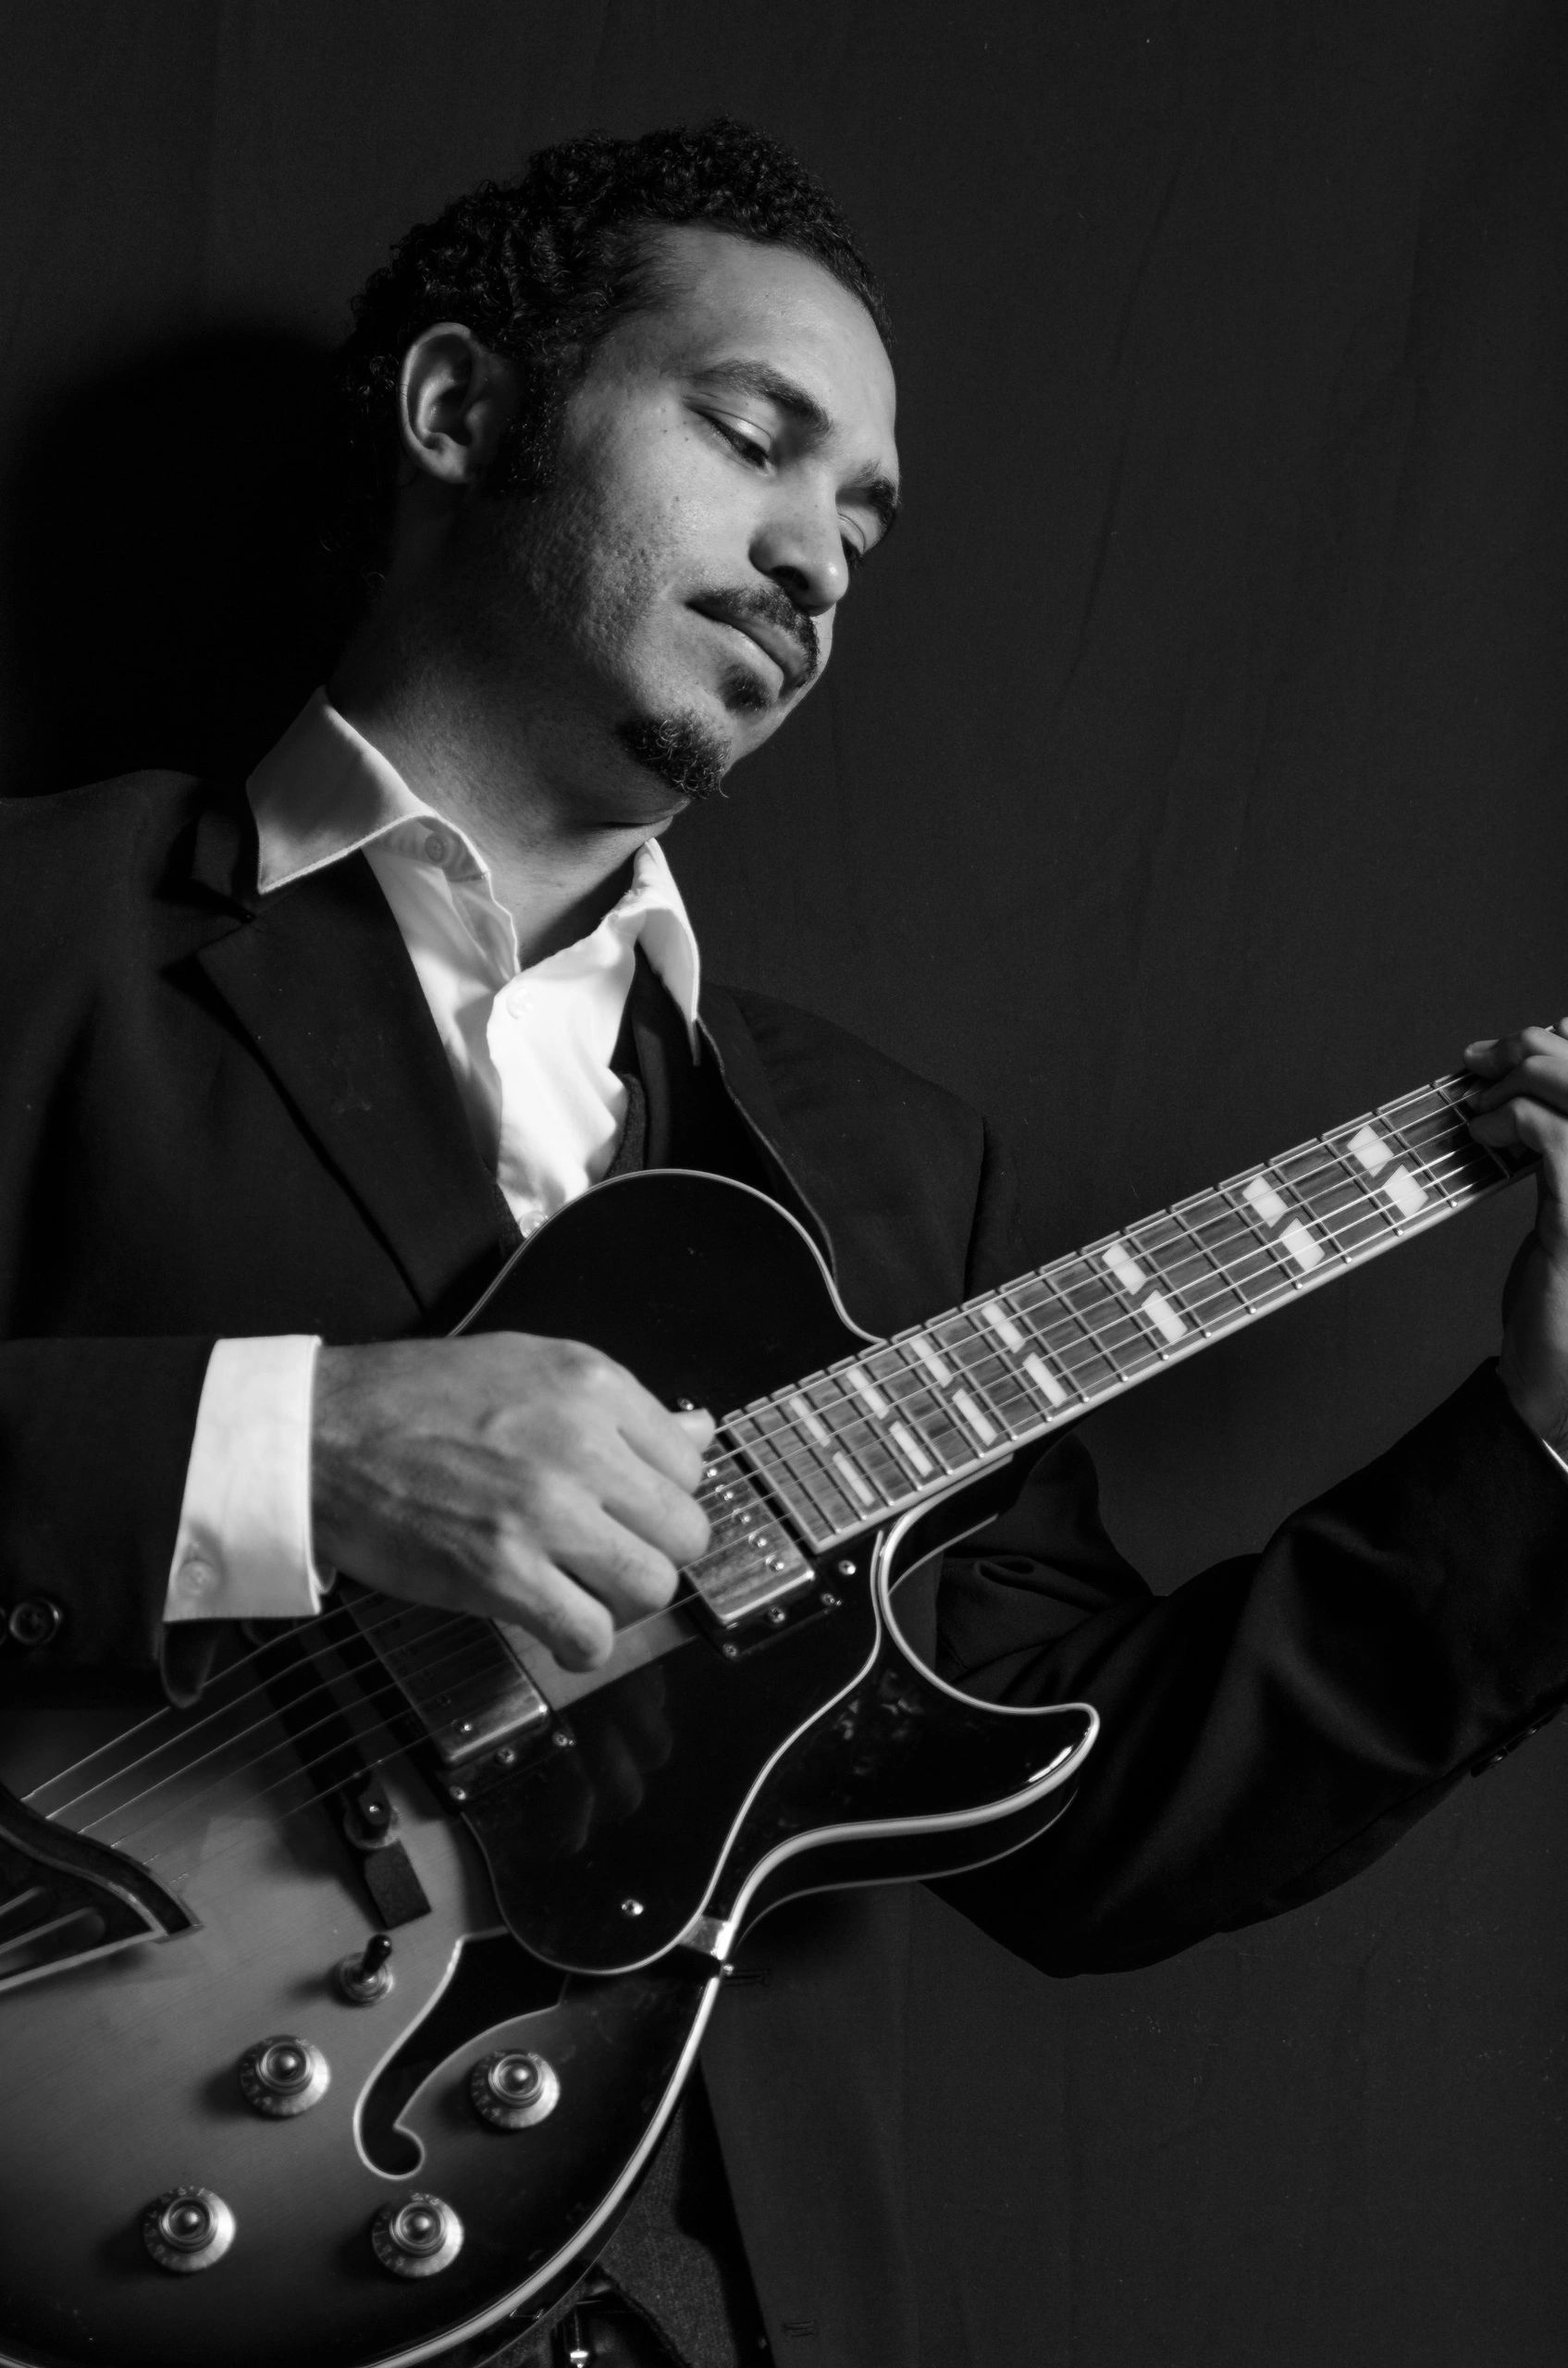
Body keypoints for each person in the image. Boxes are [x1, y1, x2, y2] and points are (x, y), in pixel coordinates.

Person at [3, 120, 1568, 2368]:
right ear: (459, 416)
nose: (819, 555)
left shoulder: (882, 1169)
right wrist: (290, 1443)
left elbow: (1097, 1816)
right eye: (752, 438)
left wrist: (1541, 1433)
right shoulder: (39, 934)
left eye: (864, 518)